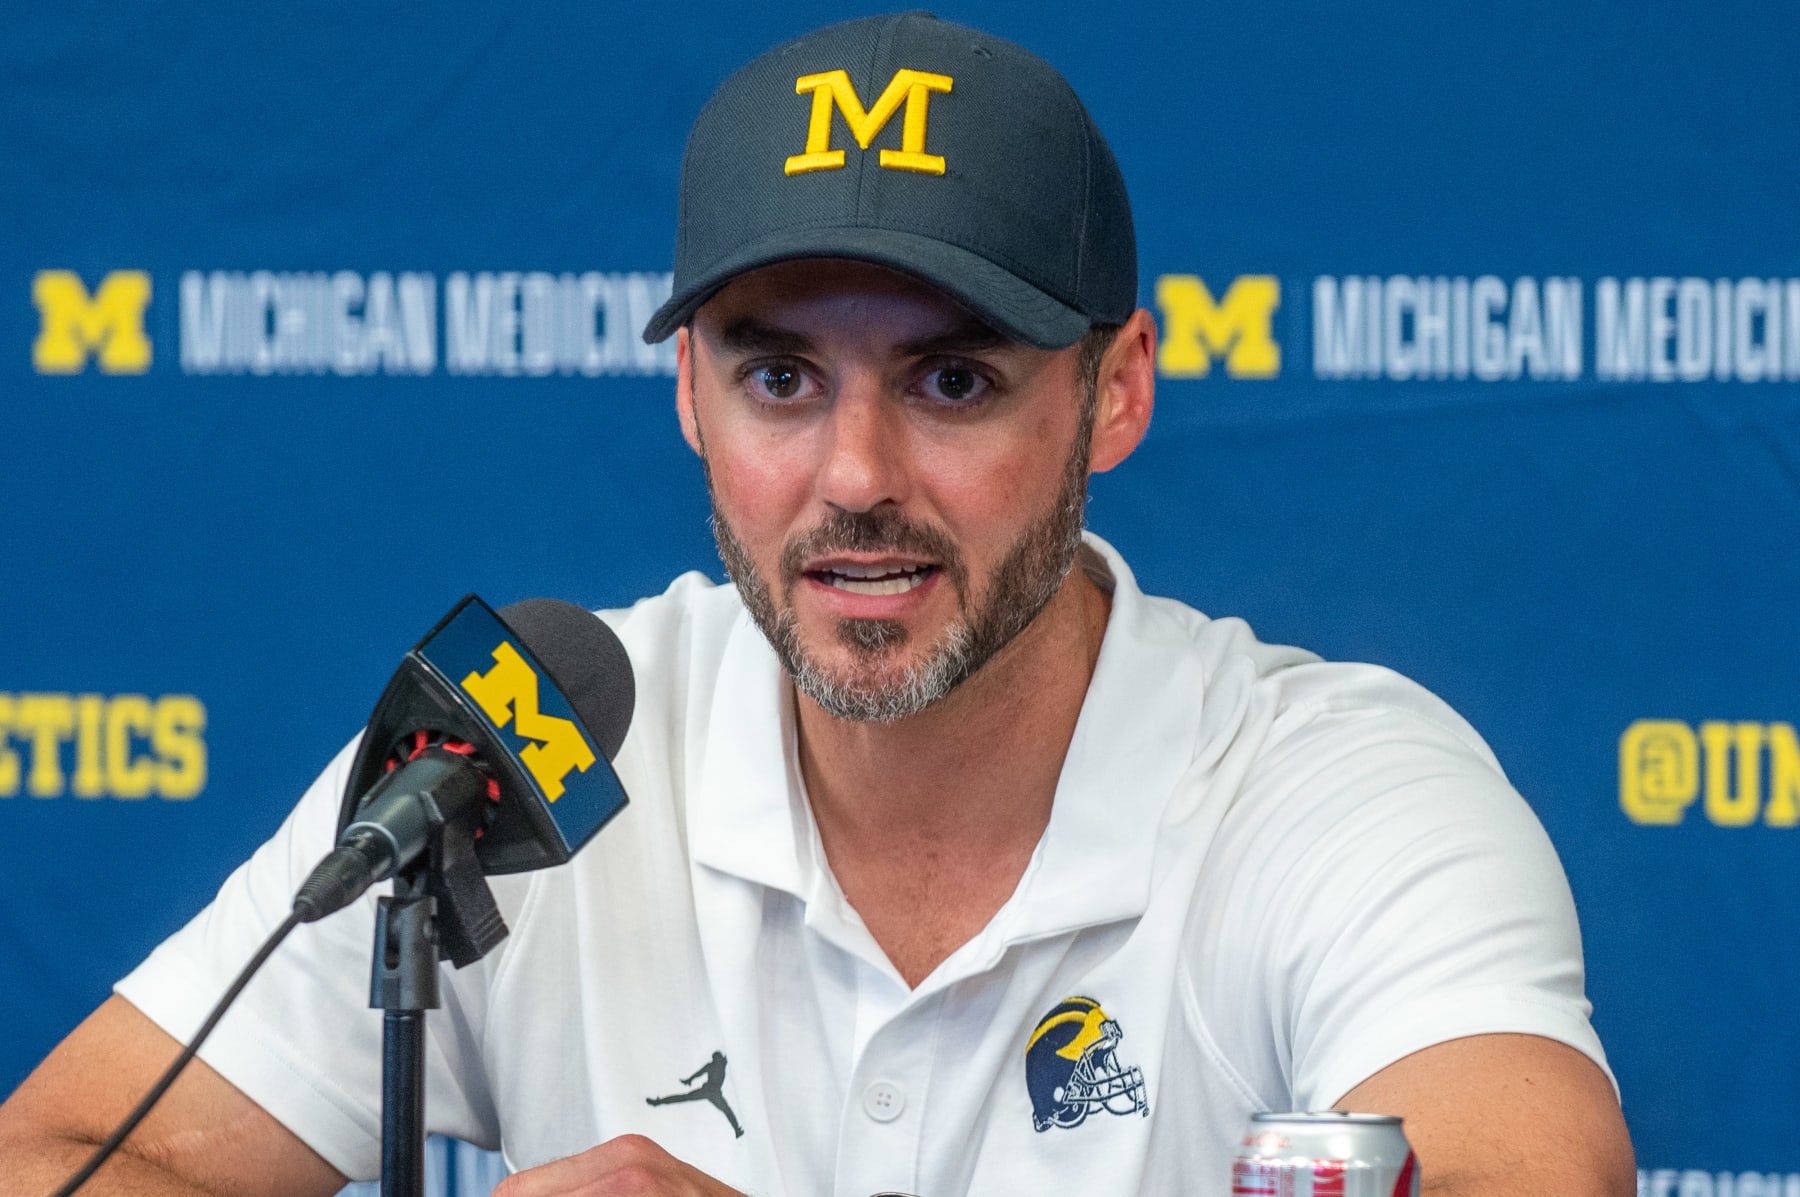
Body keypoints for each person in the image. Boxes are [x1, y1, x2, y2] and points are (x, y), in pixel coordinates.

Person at [0, 12, 1634, 1196]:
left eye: (952, 378)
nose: (854, 473)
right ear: (690, 402)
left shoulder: (1334, 787)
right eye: (780, 374)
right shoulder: (531, 741)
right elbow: (63, 1159)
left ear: (1114, 393)